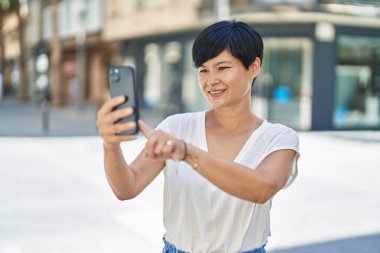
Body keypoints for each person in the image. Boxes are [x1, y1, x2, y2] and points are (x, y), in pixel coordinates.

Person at [96, 20, 299, 253]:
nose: (211, 80)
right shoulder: (176, 126)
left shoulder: (279, 138)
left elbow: (261, 188)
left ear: (253, 67)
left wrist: (186, 152)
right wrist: (110, 146)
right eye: (203, 70)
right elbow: (126, 188)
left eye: (222, 68)